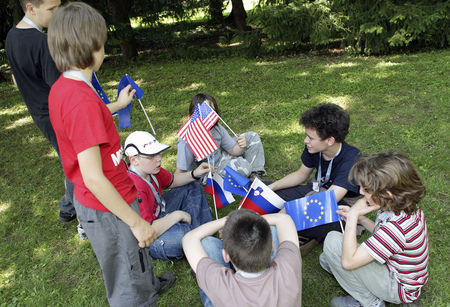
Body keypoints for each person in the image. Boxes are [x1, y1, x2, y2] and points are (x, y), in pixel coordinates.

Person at [47, 3, 174, 306]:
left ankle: (147, 284)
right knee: (126, 267)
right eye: (102, 43)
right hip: (109, 207)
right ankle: (138, 298)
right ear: (91, 47)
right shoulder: (81, 102)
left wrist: (116, 105)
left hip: (113, 195)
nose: (104, 49)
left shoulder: (67, 87)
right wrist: (136, 221)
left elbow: (89, 120)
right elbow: (92, 177)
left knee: (134, 257)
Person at [5, 0, 136, 224]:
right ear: (31, 7)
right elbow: (83, 107)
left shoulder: (11, 37)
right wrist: (120, 105)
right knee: (81, 165)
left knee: (71, 160)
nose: (57, 14)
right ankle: (76, 211)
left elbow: (16, 80)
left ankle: (71, 208)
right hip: (61, 117)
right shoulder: (42, 44)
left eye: (58, 7)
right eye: (51, 9)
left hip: (43, 113)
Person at [320, 151, 428, 307]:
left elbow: (348, 262)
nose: (361, 192)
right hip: (402, 273)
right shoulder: (402, 207)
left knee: (332, 242)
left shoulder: (396, 228)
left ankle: (371, 302)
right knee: (326, 259)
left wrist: (353, 217)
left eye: (366, 189)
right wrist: (361, 219)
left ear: (387, 193)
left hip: (398, 286)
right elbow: (381, 234)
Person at [267, 103, 361, 253]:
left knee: (293, 213)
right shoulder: (314, 147)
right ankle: (295, 228)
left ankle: (302, 235)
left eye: (310, 137)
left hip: (338, 205)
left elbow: (330, 198)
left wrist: (289, 210)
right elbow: (301, 174)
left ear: (330, 140)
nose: (306, 141)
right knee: (268, 195)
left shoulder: (352, 159)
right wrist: (271, 188)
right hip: (315, 190)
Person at [182, 209, 302, 307]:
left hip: (226, 299)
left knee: (207, 243)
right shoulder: (289, 268)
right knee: (273, 229)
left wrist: (227, 222)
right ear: (272, 246)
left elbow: (189, 238)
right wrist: (251, 219)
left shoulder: (219, 285)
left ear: (226, 256)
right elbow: (283, 219)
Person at [124, 131, 213, 260]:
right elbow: (147, 230)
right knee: (183, 233)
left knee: (192, 186)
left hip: (160, 212)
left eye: (159, 153)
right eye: (151, 156)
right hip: (149, 236)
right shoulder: (134, 187)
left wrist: (194, 173)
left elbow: (173, 181)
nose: (159, 158)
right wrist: (177, 215)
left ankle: (199, 236)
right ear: (134, 160)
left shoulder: (151, 170)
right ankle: (202, 235)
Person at [176, 93, 266, 181]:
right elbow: (180, 171)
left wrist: (242, 147)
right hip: (210, 170)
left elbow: (233, 150)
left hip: (221, 157)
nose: (213, 113)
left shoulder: (216, 127)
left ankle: (254, 173)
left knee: (252, 136)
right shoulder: (186, 139)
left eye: (213, 109)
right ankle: (245, 165)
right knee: (243, 166)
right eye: (208, 109)